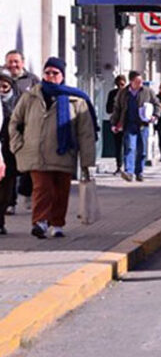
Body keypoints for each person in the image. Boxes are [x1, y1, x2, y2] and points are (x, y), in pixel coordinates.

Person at [8, 58, 97, 239]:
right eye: (47, 72)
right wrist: (17, 146)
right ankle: (40, 222)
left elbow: (86, 133)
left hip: (64, 153)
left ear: (62, 76)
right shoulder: (30, 96)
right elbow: (14, 123)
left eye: (55, 73)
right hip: (36, 153)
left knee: (60, 190)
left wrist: (87, 161)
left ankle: (57, 224)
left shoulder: (76, 100)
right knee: (42, 188)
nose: (50, 76)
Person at [5, 50, 39, 215]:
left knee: (28, 165)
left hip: (27, 129)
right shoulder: (2, 78)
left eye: (16, 62)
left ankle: (26, 192)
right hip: (5, 130)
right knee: (9, 168)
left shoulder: (32, 80)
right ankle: (9, 202)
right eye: (10, 62)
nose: (13, 65)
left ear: (23, 63)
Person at [111, 71, 160, 182]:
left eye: (141, 81)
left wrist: (155, 115)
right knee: (130, 148)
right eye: (138, 81)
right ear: (132, 81)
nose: (140, 83)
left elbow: (157, 104)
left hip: (143, 125)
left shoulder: (147, 92)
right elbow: (117, 108)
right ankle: (129, 172)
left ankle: (139, 172)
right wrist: (114, 123)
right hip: (129, 124)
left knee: (142, 150)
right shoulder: (123, 93)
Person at [0, 69, 22, 235]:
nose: (2, 87)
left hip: (10, 151)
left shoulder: (19, 101)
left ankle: (1, 219)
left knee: (6, 189)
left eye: (5, 84)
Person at [105, 75, 126, 174]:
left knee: (128, 144)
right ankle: (119, 166)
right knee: (118, 145)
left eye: (122, 84)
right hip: (116, 122)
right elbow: (108, 109)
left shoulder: (129, 94)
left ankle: (128, 166)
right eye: (118, 84)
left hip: (127, 122)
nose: (120, 87)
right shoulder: (112, 94)